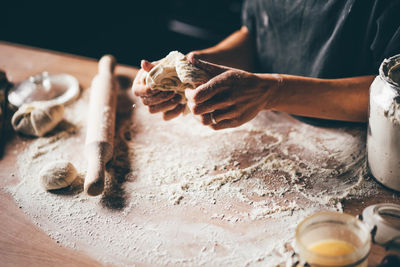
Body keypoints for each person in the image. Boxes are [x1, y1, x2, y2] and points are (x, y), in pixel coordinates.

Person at [133, 0, 400, 130]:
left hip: (359, 145)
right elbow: (257, 35)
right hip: (277, 125)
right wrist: (194, 67)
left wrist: (273, 92)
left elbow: (393, 95)